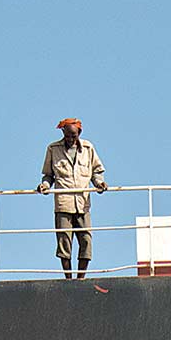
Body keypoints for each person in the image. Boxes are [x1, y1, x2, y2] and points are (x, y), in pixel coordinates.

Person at [38, 118, 108, 280]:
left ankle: (80, 278)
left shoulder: (88, 148)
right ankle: (68, 280)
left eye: (73, 136)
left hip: (83, 203)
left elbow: (96, 172)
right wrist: (45, 186)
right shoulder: (53, 149)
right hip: (63, 203)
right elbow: (48, 175)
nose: (70, 139)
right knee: (64, 243)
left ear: (79, 134)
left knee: (86, 241)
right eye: (68, 136)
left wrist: (100, 184)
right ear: (63, 133)